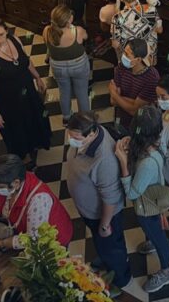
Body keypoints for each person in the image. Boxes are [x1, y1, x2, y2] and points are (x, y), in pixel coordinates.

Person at [114, 106, 169, 293]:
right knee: (152, 230)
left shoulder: (148, 163)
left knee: (160, 238)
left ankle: (167, 270)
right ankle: (151, 241)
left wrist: (123, 163)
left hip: (147, 206)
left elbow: (132, 194)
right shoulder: (155, 142)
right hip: (151, 198)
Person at [64, 112, 130, 292]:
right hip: (89, 211)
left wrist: (104, 224)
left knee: (112, 245)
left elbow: (111, 197)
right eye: (70, 134)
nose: (71, 140)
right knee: (102, 243)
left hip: (104, 215)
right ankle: (104, 255)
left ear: (92, 133)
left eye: (76, 137)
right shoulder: (85, 138)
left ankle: (121, 278)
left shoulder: (105, 159)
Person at [0, 19, 51, 169]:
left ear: (7, 32)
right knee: (18, 129)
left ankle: (36, 143)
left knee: (34, 118)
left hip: (28, 92)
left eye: (1, 34)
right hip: (9, 102)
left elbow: (26, 61)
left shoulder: (15, 40)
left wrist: (37, 77)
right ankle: (24, 157)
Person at [0, 154, 72, 251]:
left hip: (52, 242)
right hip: (21, 236)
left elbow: (32, 239)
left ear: (16, 183)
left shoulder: (38, 199)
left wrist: (0, 243)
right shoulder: (8, 185)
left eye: (0, 187)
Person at [44, 5, 90, 125]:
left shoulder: (46, 31)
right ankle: (84, 119)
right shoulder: (77, 31)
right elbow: (86, 37)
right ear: (69, 19)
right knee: (82, 92)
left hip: (58, 67)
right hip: (78, 65)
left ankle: (66, 117)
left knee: (64, 92)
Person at [109, 38, 160, 131]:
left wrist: (116, 95)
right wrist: (131, 103)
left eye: (127, 54)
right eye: (124, 52)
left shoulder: (152, 78)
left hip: (142, 124)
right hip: (122, 119)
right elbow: (113, 101)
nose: (123, 56)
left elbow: (136, 111)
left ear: (138, 59)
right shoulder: (121, 67)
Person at [111, 0, 162, 64]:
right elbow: (159, 30)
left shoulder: (117, 18)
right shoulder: (151, 9)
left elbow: (115, 44)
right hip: (149, 56)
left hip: (131, 59)